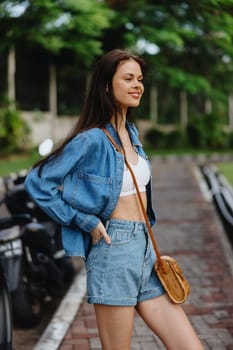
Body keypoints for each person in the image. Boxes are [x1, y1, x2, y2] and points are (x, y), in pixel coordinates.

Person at [24, 49, 203, 350]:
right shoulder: (91, 139)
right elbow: (38, 182)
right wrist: (86, 222)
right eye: (128, 78)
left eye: (140, 79)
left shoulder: (131, 133)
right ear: (107, 85)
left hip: (146, 251)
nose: (137, 86)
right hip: (114, 251)